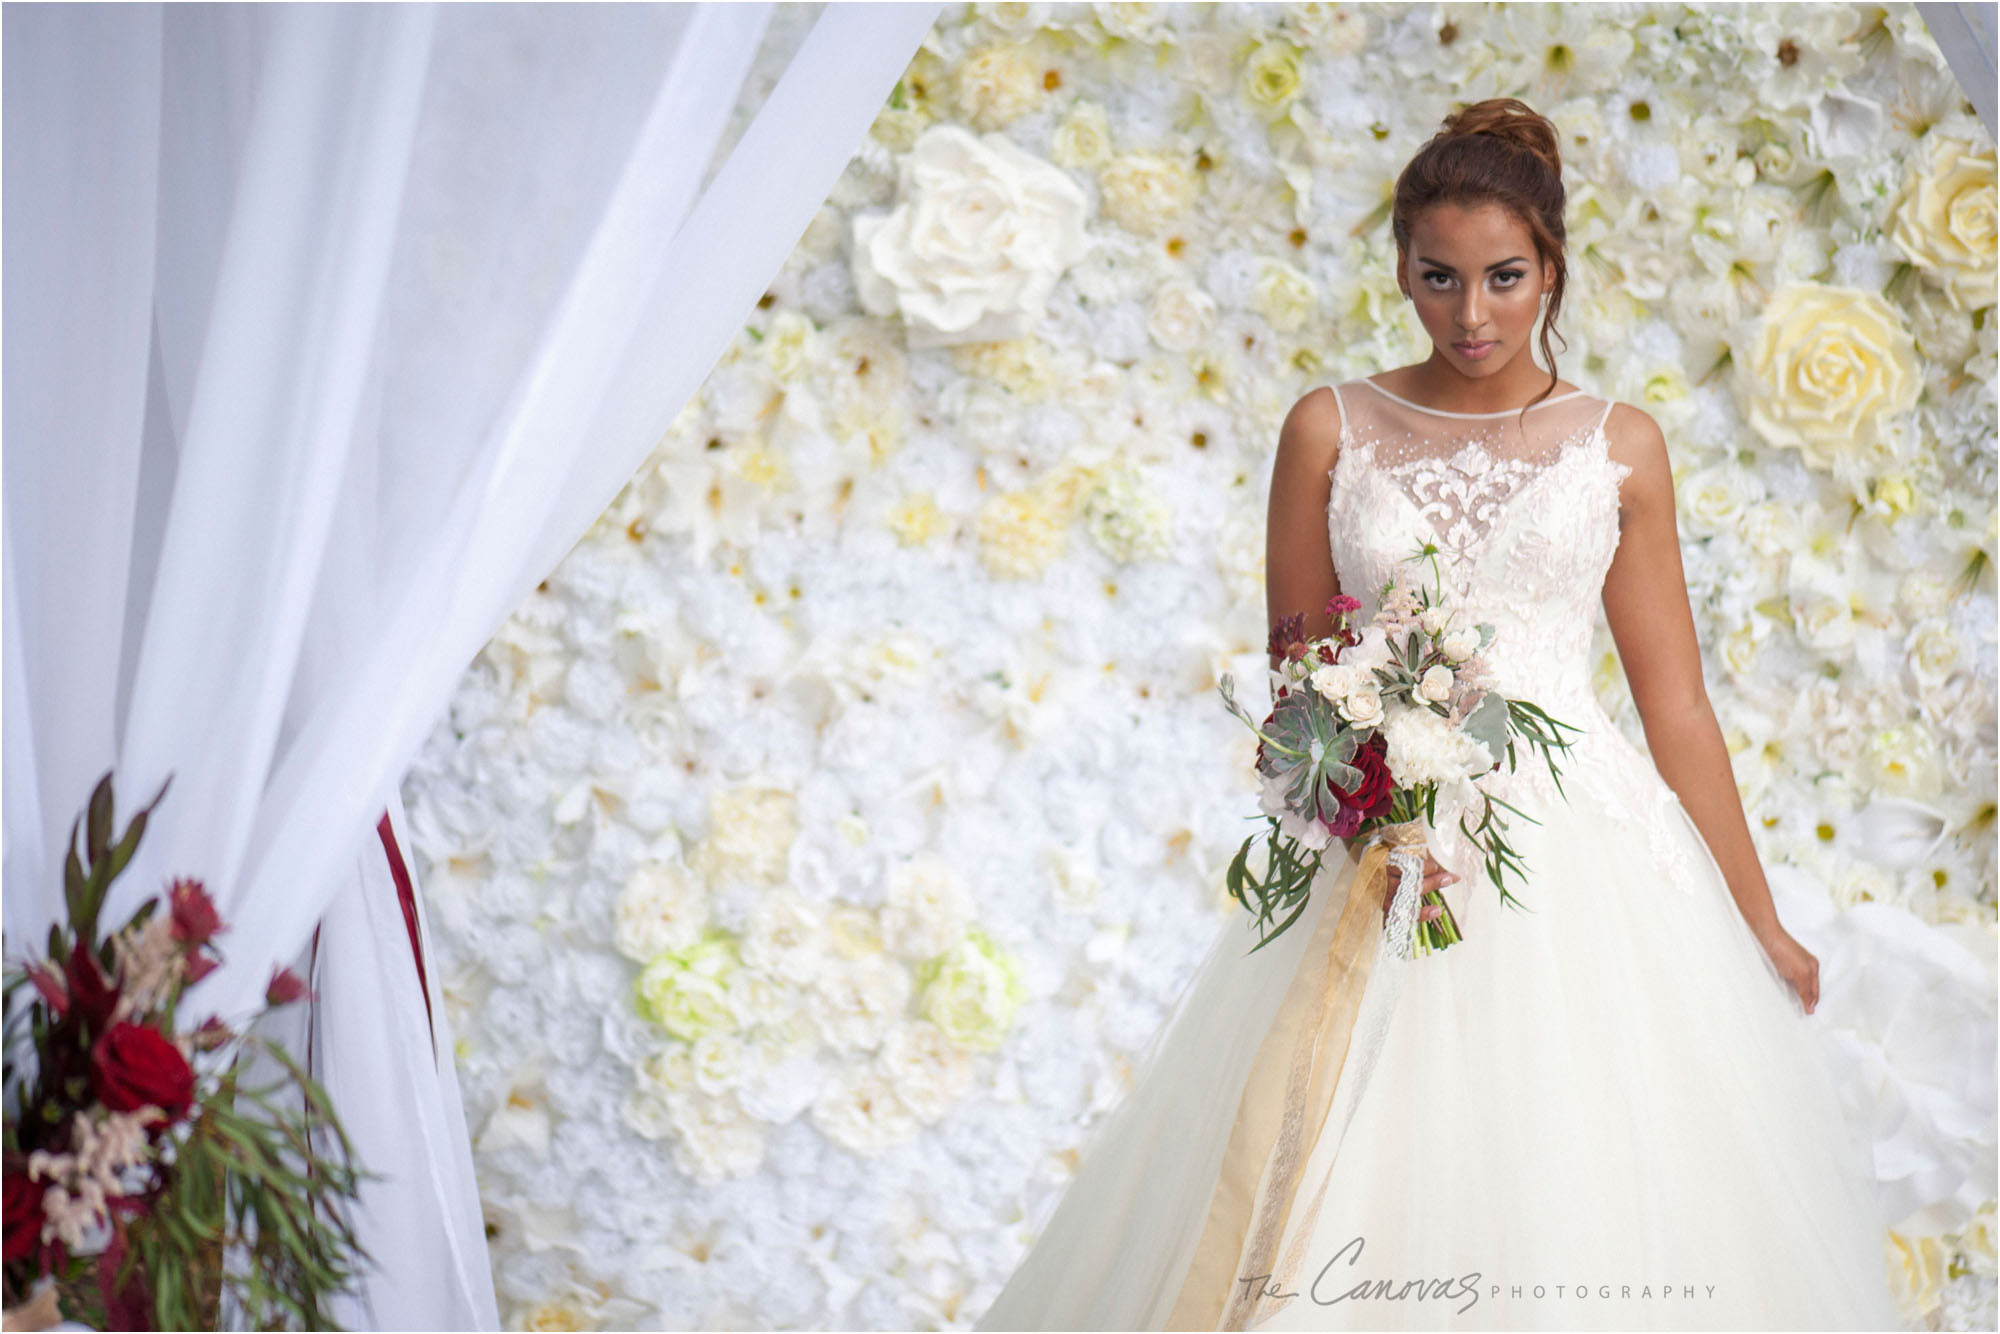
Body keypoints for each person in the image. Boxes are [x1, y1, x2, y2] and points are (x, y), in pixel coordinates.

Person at [974, 98, 1902, 1333]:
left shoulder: (1617, 446)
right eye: (1439, 278)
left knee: (1575, 1174)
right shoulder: (1331, 426)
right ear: (1401, 271)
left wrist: (1758, 915)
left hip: (1582, 859)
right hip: (1386, 848)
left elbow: (1672, 702)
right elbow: (1296, 686)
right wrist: (1369, 798)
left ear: (1550, 270)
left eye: (1503, 278)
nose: (1471, 315)